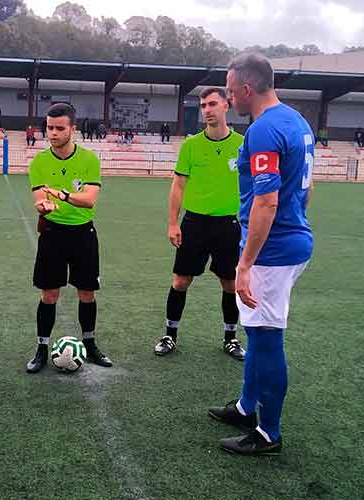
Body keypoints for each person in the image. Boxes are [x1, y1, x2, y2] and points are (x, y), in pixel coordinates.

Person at [209, 53, 313, 456]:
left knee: (267, 338)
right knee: (255, 330)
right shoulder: (297, 121)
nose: (230, 98)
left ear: (247, 89)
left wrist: (246, 264)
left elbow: (266, 202)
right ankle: (246, 406)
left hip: (272, 249)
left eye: (231, 91)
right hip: (291, 239)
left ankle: (268, 432)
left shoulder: (264, 130)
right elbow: (308, 189)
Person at [153, 87, 246, 361]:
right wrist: (172, 223)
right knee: (181, 281)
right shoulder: (191, 145)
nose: (207, 109)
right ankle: (170, 334)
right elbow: (178, 185)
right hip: (194, 223)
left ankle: (231, 338)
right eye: (203, 105)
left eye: (212, 104)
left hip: (228, 225)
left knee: (230, 283)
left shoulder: (243, 144)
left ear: (226, 106)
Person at [25, 102, 113, 373]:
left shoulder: (89, 160)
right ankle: (41, 349)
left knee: (86, 292)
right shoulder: (39, 162)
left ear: (72, 129)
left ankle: (90, 344)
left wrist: (63, 196)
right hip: (52, 234)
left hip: (83, 234)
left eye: (60, 128)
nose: (53, 133)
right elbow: (40, 198)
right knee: (49, 294)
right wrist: (44, 207)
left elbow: (89, 201)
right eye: (50, 128)